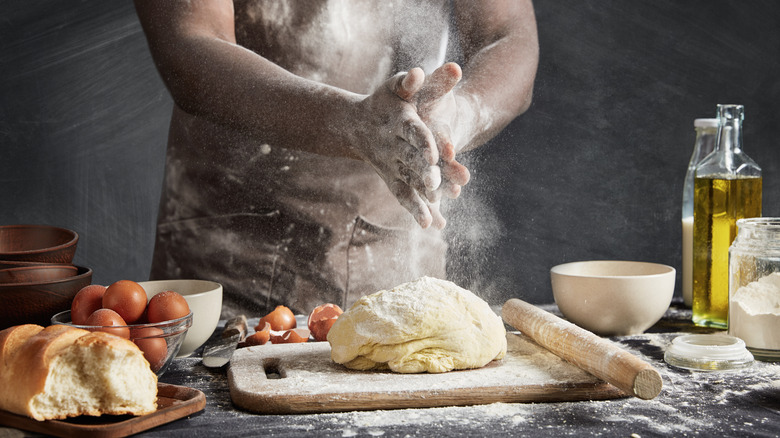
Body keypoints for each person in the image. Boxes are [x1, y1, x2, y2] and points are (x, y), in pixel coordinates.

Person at [134, 0, 538, 317]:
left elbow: (507, 34)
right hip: (233, 259)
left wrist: (459, 116)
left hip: (397, 250)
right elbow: (189, 42)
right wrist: (349, 123)